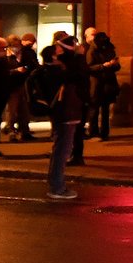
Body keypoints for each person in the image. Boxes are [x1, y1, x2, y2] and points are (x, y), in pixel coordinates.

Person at [46, 33, 88, 201]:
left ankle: (56, 183)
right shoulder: (65, 67)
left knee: (61, 149)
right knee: (62, 150)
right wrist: (79, 56)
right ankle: (57, 186)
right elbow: (80, 78)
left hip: (67, 112)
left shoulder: (62, 65)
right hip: (66, 113)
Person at [86, 31, 121, 141]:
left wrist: (113, 64)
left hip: (107, 82)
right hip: (96, 82)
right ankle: (94, 132)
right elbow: (89, 67)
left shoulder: (109, 49)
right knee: (95, 108)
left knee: (105, 108)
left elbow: (117, 66)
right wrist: (103, 66)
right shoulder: (92, 50)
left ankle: (105, 132)